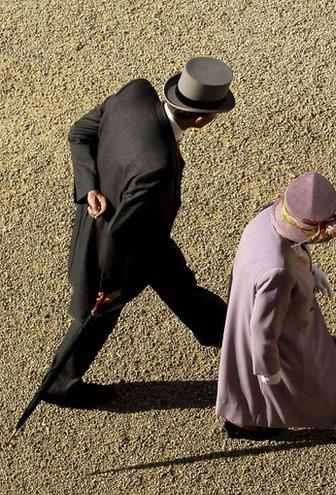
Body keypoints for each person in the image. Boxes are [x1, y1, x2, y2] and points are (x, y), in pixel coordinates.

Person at [43, 57, 236, 408]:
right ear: (204, 119)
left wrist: (89, 188)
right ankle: (60, 384)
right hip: (123, 248)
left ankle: (228, 333)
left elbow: (80, 132)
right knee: (99, 312)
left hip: (144, 235)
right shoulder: (158, 165)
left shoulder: (135, 93)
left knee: (182, 286)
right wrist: (110, 284)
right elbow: (120, 234)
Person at [216, 171, 336, 455]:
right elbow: (264, 333)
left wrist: (308, 270)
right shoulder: (279, 272)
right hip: (291, 333)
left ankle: (245, 422)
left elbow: (287, 248)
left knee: (243, 376)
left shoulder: (268, 216)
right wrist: (269, 371)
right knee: (322, 384)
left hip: (245, 307)